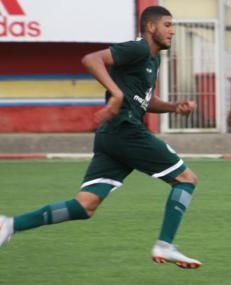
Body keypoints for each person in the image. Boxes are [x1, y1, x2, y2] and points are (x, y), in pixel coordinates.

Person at [0, 6, 201, 269]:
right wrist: (116, 95)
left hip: (110, 136)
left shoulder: (152, 59)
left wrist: (174, 107)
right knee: (186, 179)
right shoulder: (138, 48)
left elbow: (144, 100)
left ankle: (9, 224)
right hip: (126, 130)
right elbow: (91, 59)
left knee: (85, 206)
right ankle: (165, 244)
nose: (172, 31)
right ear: (151, 27)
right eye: (167, 24)